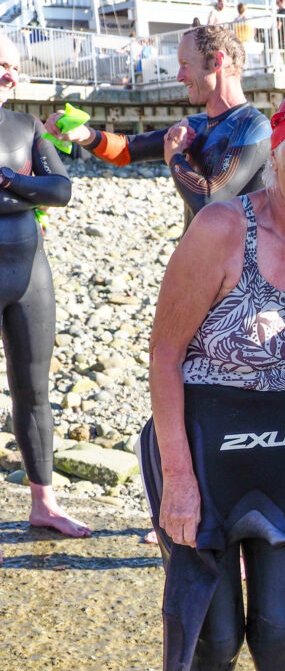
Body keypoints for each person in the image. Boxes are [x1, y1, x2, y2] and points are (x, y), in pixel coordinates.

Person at [141, 83, 285, 670]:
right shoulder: (221, 227)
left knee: (278, 636)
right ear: (277, 145)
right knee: (210, 640)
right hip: (200, 444)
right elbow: (164, 356)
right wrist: (178, 478)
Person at [44, 24, 270, 231]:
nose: (179, 77)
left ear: (217, 62)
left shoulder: (254, 128)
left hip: (242, 268)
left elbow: (211, 202)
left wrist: (174, 158)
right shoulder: (196, 125)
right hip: (200, 261)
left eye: (185, 65)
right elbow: (127, 150)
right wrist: (84, 134)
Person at [0, 36, 85, 568]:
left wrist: (9, 180)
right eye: (2, 61)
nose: (11, 70)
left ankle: (44, 502)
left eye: (11, 62)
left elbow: (61, 188)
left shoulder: (26, 128)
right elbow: (43, 188)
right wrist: (26, 186)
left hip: (30, 273)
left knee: (34, 389)